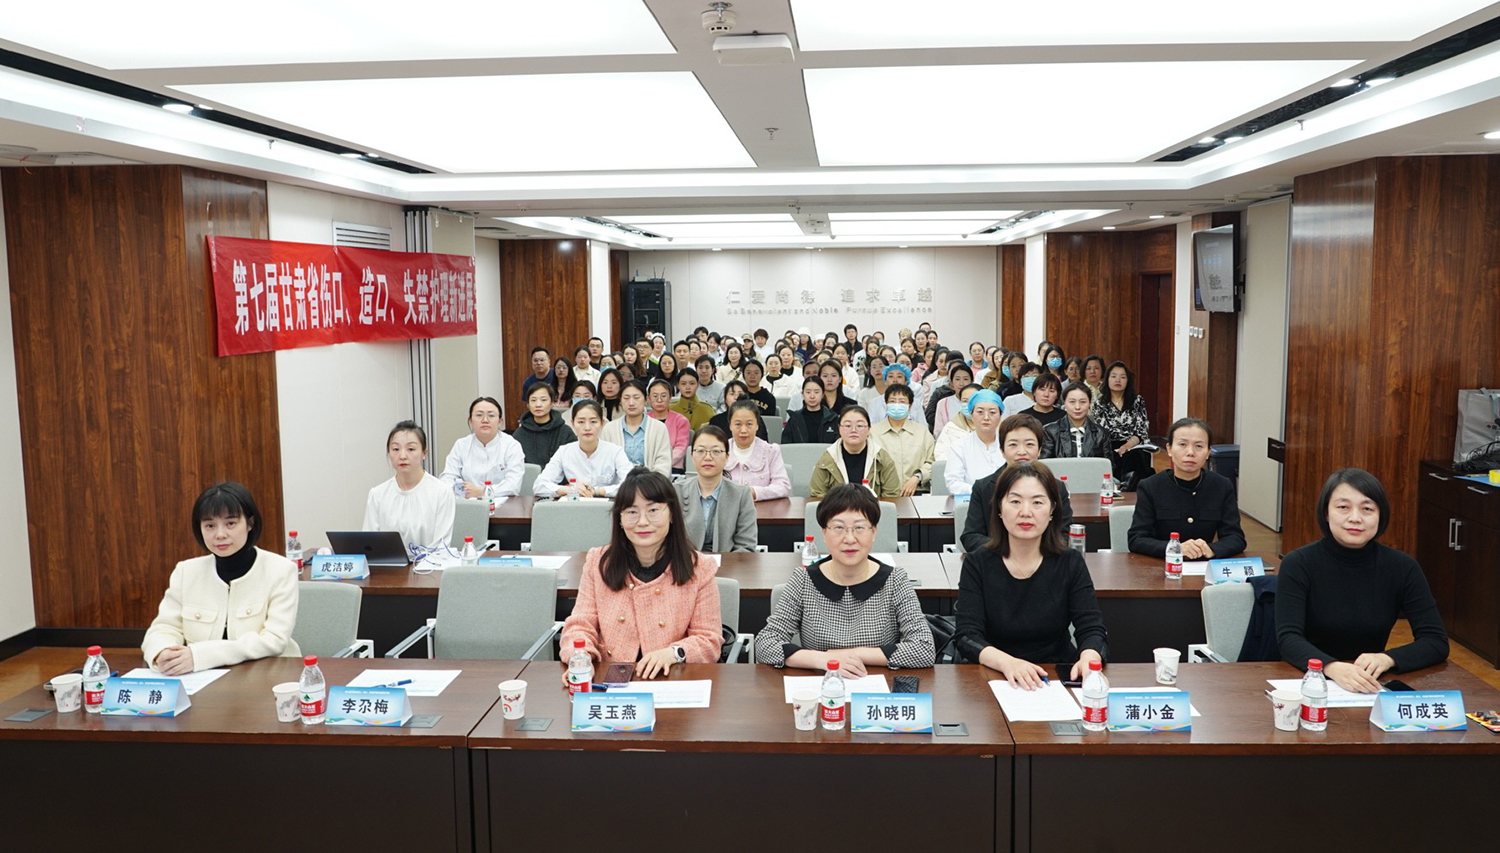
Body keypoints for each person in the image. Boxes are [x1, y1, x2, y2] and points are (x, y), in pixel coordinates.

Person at [1275, 469, 1449, 692]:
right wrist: (1331, 667)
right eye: (1343, 507)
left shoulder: (1402, 567)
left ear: (1380, 515)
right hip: (1306, 681)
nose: (1355, 518)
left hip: (1368, 684)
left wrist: (1387, 659)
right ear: (1326, 513)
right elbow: (1288, 639)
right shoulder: (1298, 563)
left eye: (1367, 509)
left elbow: (1435, 641)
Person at [559, 469, 722, 679]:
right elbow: (580, 625)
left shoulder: (700, 567)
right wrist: (581, 658)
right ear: (619, 519)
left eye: (653, 510)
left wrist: (674, 653)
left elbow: (709, 640)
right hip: (610, 678)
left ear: (672, 513)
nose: (642, 521)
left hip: (672, 678)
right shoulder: (598, 562)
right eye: (632, 512)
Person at [954, 463, 1106, 688]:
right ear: (999, 508)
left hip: (1055, 674)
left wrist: (1089, 657)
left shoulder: (1070, 561)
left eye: (1037, 502)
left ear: (1052, 510)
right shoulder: (978, 563)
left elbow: (1091, 628)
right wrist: (1008, 663)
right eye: (1015, 501)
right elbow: (967, 636)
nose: (1026, 512)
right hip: (994, 674)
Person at [754, 484, 934, 671]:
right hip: (821, 682)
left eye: (859, 527)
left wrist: (850, 656)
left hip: (876, 685)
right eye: (838, 527)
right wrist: (823, 660)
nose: (849, 539)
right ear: (824, 533)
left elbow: (924, 648)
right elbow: (765, 643)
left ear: (874, 532)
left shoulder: (895, 581)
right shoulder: (803, 581)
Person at [143, 482, 300, 675]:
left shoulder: (281, 570)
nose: (220, 535)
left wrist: (200, 656)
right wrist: (164, 652)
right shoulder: (186, 572)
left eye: (230, 523)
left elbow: (274, 639)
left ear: (250, 523)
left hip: (267, 676)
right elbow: (163, 628)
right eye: (210, 526)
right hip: (198, 680)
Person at [1128, 418, 1246, 559]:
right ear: (1169, 449)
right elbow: (1137, 539)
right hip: (1162, 565)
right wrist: (1175, 549)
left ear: (1208, 452)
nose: (1190, 452)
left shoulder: (1222, 486)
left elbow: (1235, 537)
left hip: (1204, 565)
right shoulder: (1150, 486)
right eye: (1182, 444)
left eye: (1199, 446)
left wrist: (1212, 549)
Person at [961, 414, 1075, 553]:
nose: (1022, 452)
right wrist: (1011, 552)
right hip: (996, 560)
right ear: (1002, 450)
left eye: (1029, 444)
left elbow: (1064, 534)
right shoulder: (983, 487)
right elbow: (971, 537)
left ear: (1039, 450)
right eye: (1013, 445)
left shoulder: (1056, 487)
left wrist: (1034, 553)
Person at [364, 420, 456, 556]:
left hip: (430, 566)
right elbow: (368, 544)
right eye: (396, 449)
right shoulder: (377, 494)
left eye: (411, 449)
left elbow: (440, 548)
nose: (402, 456)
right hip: (389, 567)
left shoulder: (442, 492)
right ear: (389, 453)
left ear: (424, 453)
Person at [675, 426, 758, 552]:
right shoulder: (676, 491)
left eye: (716, 451)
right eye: (701, 451)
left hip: (728, 562)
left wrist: (724, 563)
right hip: (685, 562)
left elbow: (746, 546)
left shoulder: (741, 494)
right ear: (692, 456)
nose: (708, 457)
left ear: (727, 457)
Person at [532, 401, 635, 498]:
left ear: (602, 423)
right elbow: (539, 486)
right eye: (581, 422)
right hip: (575, 506)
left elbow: (632, 485)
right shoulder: (564, 452)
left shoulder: (615, 452)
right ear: (572, 423)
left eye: (593, 422)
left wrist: (598, 491)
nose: (587, 428)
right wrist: (571, 489)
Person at [440, 396, 526, 498]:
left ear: (500, 421)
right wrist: (462, 490)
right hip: (467, 502)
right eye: (479, 415)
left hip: (502, 503)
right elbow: (447, 478)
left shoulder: (511, 445)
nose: (485, 420)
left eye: (491, 415)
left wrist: (482, 492)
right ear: (470, 421)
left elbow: (513, 485)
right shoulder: (461, 445)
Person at [810, 406, 903, 499]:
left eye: (859, 426)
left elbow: (892, 496)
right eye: (847, 426)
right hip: (837, 508)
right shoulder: (828, 458)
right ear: (839, 429)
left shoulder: (881, 457)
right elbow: (817, 495)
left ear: (869, 429)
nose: (853, 430)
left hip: (873, 507)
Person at [1091, 360, 1154, 488]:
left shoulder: (1137, 401)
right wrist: (1120, 447)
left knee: (1135, 456)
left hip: (1134, 444)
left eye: (1122, 377)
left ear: (1128, 380)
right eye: (1114, 376)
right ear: (1107, 379)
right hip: (1109, 445)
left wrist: (1128, 445)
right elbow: (1102, 431)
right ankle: (1126, 485)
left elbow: (1142, 429)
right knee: (1116, 457)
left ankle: (1130, 487)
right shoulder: (1099, 404)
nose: (1118, 380)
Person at [870, 384, 934, 497]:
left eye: (902, 401)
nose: (897, 405)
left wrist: (917, 477)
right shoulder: (872, 432)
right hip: (882, 493)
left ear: (910, 406)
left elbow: (932, 461)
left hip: (916, 492)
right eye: (892, 401)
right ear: (886, 405)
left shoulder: (922, 432)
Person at [721, 401, 791, 501]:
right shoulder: (719, 450)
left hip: (763, 509)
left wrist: (754, 492)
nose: (743, 430)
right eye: (738, 424)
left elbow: (783, 486)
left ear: (757, 425)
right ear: (730, 425)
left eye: (749, 424)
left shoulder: (770, 451)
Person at [601, 380, 671, 476]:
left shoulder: (659, 428)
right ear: (620, 400)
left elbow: (663, 464)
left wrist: (649, 483)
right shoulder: (609, 429)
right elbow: (604, 463)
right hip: (618, 483)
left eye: (636, 398)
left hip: (651, 483)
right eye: (626, 398)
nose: (631, 403)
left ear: (646, 400)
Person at [944, 390, 1005, 495]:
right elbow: (953, 483)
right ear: (971, 415)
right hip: (971, 500)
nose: (986, 417)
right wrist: (980, 492)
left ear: (1000, 415)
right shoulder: (959, 446)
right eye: (980, 412)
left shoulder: (1010, 445)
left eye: (992, 412)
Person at [1042, 383, 1110, 460]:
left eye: (1082, 402)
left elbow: (1108, 464)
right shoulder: (1050, 431)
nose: (1077, 407)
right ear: (1064, 403)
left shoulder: (1101, 433)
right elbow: (1044, 463)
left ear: (1090, 403)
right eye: (1072, 402)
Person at [515, 383, 576, 468]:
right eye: (533, 400)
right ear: (528, 404)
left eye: (543, 400)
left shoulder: (565, 432)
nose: (538, 404)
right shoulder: (519, 434)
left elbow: (574, 462)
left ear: (552, 403)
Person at [646, 379, 691, 473]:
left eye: (663, 396)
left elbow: (680, 448)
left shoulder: (680, 420)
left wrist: (662, 465)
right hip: (647, 467)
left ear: (670, 397)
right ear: (648, 398)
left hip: (673, 467)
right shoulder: (644, 419)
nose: (659, 400)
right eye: (655, 396)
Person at [783, 377, 839, 444]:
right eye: (808, 392)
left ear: (823, 394)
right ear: (802, 394)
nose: (812, 396)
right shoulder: (794, 419)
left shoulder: (832, 419)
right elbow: (786, 444)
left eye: (816, 392)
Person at [935, 383, 980, 463]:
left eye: (972, 400)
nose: (968, 404)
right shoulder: (951, 428)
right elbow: (941, 455)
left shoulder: (994, 426)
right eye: (965, 401)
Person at [930, 361, 974, 435]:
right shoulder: (943, 403)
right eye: (957, 379)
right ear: (951, 382)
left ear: (972, 381)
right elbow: (938, 432)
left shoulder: (978, 402)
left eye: (965, 379)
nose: (961, 383)